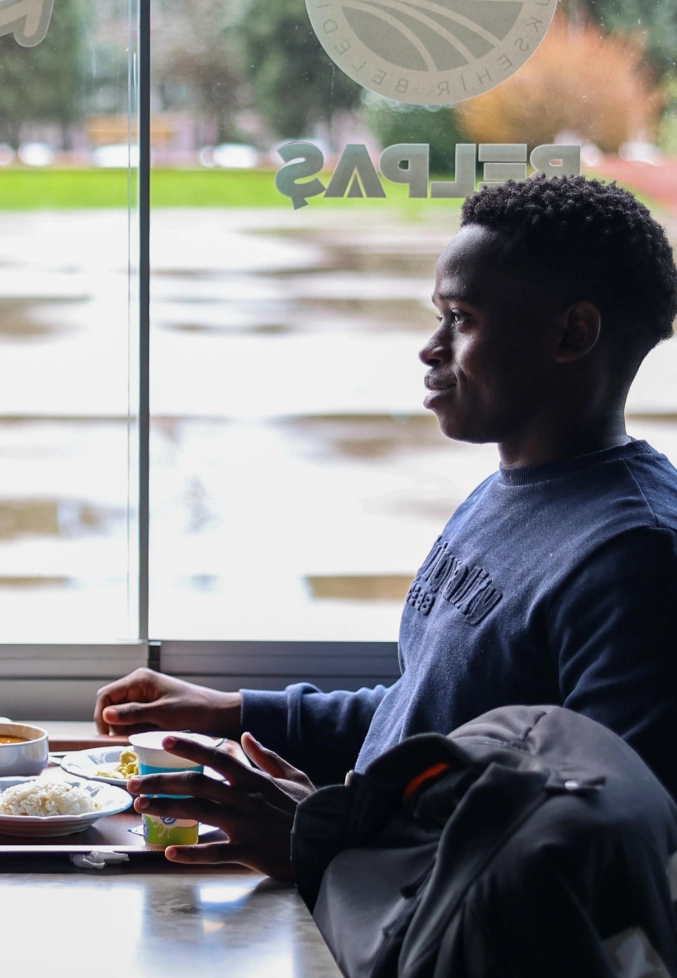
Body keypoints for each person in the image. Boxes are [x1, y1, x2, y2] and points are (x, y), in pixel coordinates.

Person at [96, 174, 677, 880]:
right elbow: (428, 712)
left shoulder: (636, 558)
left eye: (460, 318)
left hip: (434, 963)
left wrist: (319, 839)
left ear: (570, 333)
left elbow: (591, 858)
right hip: (365, 907)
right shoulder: (508, 495)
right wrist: (235, 711)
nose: (430, 347)